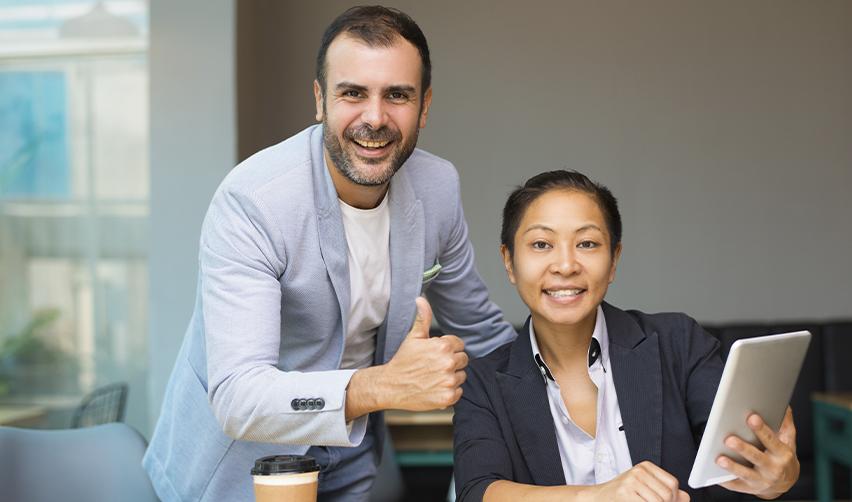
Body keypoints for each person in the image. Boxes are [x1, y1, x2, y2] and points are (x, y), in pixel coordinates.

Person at [143, 6, 515, 501]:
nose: (375, 118)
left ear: (424, 106)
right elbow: (238, 395)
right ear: (320, 99)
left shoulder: (437, 187)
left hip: (352, 459)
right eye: (353, 93)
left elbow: (483, 331)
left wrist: (573, 391)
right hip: (240, 467)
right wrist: (383, 387)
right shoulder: (254, 201)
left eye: (397, 95)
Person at [453, 170, 800, 501]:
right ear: (509, 261)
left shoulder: (678, 343)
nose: (565, 265)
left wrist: (774, 480)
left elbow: (739, 461)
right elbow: (479, 491)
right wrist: (597, 497)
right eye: (541, 244)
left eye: (587, 243)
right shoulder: (483, 383)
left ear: (614, 259)